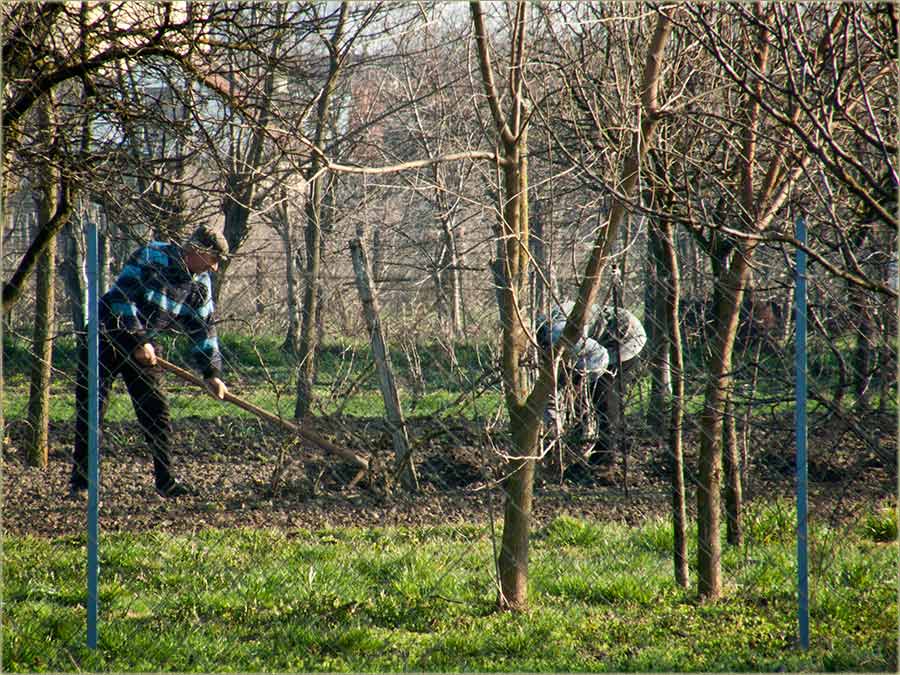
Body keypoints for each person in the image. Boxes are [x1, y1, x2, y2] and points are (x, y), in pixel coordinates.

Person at [69, 225, 230, 499]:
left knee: (157, 413)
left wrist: (211, 373)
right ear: (197, 250)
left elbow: (203, 327)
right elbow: (121, 297)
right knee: (92, 411)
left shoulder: (200, 284)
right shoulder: (152, 256)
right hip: (104, 336)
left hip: (145, 347)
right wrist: (138, 339)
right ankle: (82, 484)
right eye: (213, 259)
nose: (214, 267)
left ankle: (166, 482)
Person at [587, 305, 647, 465]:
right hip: (603, 341)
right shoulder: (546, 330)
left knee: (605, 397)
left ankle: (605, 458)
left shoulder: (558, 332)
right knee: (594, 393)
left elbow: (598, 357)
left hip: (626, 339)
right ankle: (616, 444)